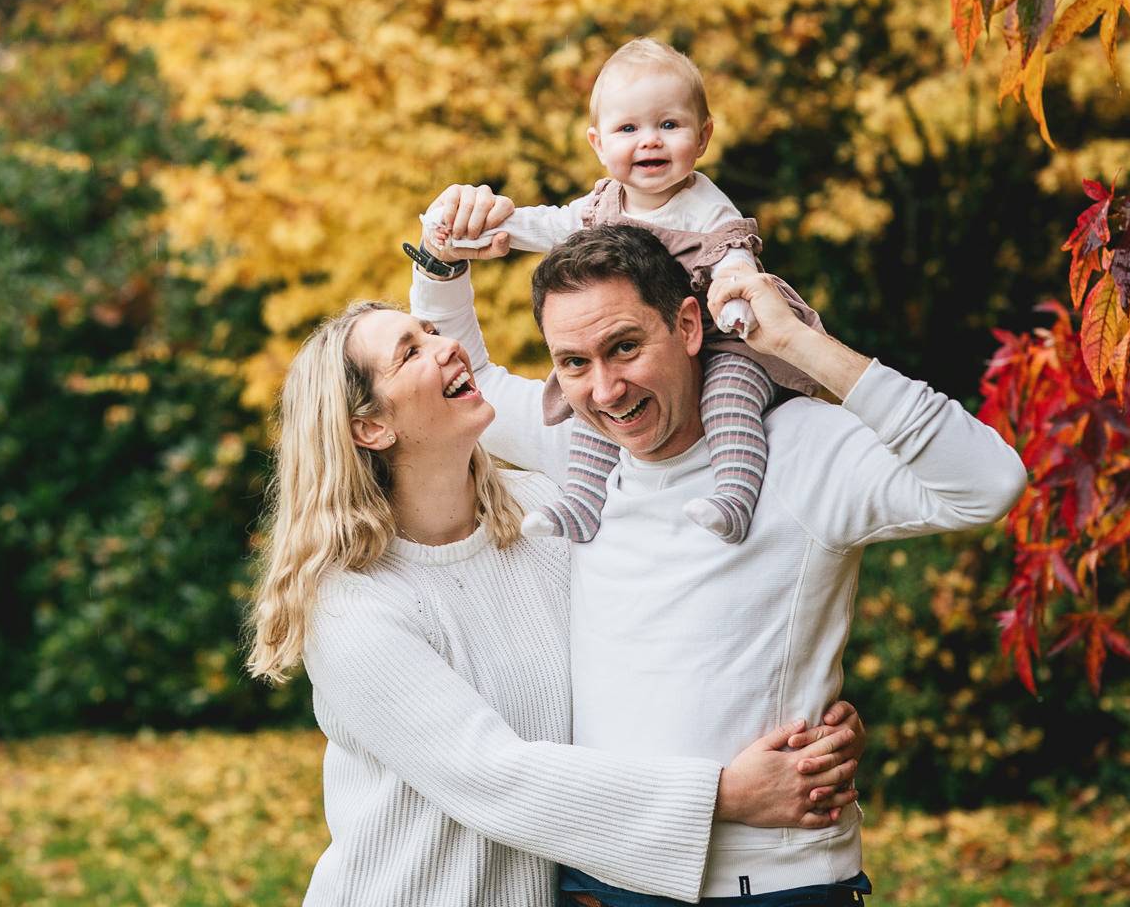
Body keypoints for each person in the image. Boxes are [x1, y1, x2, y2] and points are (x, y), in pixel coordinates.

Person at [411, 206, 1029, 905]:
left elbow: (989, 482)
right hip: (600, 878)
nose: (606, 390)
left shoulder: (805, 448)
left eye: (624, 347)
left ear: (687, 325)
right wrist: (441, 265)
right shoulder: (579, 451)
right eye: (574, 363)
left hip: (773, 883)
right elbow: (476, 377)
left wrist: (796, 341)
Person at [245, 299, 867, 906]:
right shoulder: (353, 605)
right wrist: (725, 795)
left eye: (432, 329)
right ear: (371, 427)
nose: (448, 346)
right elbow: (493, 776)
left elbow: (660, 631)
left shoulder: (546, 514)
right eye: (411, 352)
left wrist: (796, 711)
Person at [417, 39, 823, 547]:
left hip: (725, 339)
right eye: (628, 129)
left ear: (703, 137)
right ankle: (585, 504)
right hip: (677, 338)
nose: (649, 141)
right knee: (591, 410)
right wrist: (465, 237)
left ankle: (734, 496)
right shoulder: (602, 206)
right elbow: (549, 226)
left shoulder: (707, 209)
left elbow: (735, 265)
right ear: (597, 144)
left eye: (668, 125)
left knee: (729, 398)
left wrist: (739, 304)